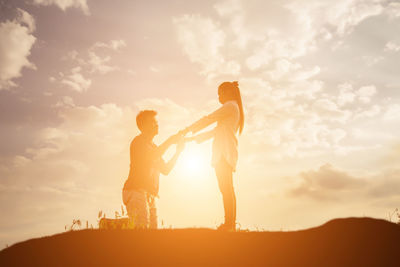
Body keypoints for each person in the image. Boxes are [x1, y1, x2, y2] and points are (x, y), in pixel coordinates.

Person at [183, 81, 244, 231]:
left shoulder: (229, 106)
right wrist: (193, 138)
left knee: (227, 189)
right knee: (226, 189)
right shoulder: (232, 108)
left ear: (228, 92)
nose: (218, 97)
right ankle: (229, 223)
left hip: (224, 153)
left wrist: (188, 129)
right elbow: (215, 132)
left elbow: (209, 118)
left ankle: (229, 224)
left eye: (220, 93)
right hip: (223, 153)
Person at [122, 110, 185, 229]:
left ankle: (119, 225)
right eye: (153, 122)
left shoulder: (154, 147)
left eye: (157, 121)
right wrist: (171, 141)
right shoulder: (138, 142)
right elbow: (152, 156)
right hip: (136, 191)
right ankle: (118, 227)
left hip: (150, 195)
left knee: (152, 233)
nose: (157, 124)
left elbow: (165, 170)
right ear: (143, 126)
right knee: (141, 230)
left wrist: (178, 152)